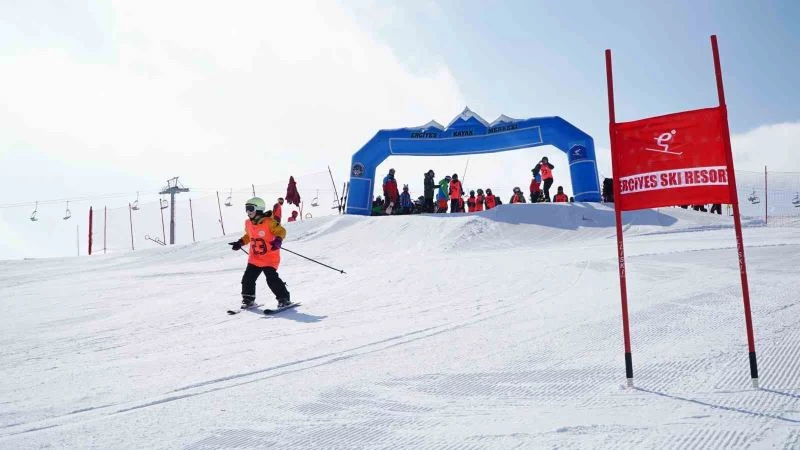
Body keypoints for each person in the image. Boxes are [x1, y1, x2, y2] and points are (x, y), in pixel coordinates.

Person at [229, 197, 291, 309]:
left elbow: (281, 231)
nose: (248, 212)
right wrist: (240, 243)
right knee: (247, 279)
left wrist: (278, 240)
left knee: (272, 279)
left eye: (250, 208)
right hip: (254, 258)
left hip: (269, 258)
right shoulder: (248, 223)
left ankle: (284, 298)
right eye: (246, 209)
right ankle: (248, 299)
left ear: (259, 209)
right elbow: (248, 236)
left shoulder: (269, 222)